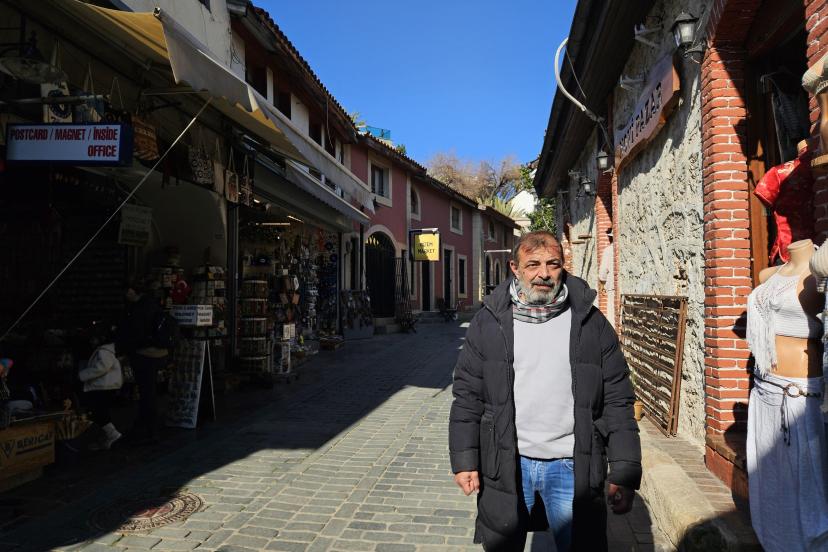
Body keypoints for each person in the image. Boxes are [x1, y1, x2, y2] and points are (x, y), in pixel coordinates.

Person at [449, 230, 641, 551]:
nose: (544, 274)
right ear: (515, 268)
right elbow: (468, 396)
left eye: (553, 264)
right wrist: (465, 460)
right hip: (507, 463)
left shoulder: (590, 323)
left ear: (563, 266)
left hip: (572, 465)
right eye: (533, 264)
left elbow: (617, 400)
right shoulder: (488, 323)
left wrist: (624, 469)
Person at [746, 238, 828, 551]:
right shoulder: (770, 275)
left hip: (798, 393)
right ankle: (775, 542)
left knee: (807, 481)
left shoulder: (817, 275)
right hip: (765, 388)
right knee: (769, 477)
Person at [115, 279, 168, 444]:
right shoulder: (152, 304)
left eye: (126, 291)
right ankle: (145, 425)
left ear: (132, 290)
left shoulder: (139, 308)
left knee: (147, 392)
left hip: (145, 355)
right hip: (158, 353)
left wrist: (124, 349)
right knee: (148, 391)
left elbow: (136, 334)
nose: (125, 295)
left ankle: (150, 429)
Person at [79, 325, 123, 450]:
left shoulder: (104, 351)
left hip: (103, 386)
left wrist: (83, 375)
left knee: (98, 411)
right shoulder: (108, 350)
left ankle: (112, 434)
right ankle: (108, 436)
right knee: (100, 411)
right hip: (106, 386)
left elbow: (101, 367)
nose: (91, 341)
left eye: (93, 338)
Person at [598, 228, 615, 327]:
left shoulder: (608, 250)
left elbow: (603, 272)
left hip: (612, 285)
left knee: (612, 316)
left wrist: (602, 284)